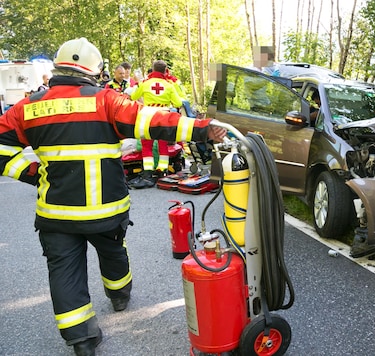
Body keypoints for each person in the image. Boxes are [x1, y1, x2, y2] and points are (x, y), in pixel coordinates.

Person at [0, 37, 226, 356]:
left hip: (57, 216)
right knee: (114, 255)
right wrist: (202, 129)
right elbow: (152, 121)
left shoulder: (29, 107)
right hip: (107, 211)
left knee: (64, 272)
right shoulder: (107, 100)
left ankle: (82, 341)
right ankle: (119, 297)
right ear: (95, 70)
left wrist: (33, 172)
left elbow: (1, 148)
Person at [129, 59, 187, 188]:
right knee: (163, 146)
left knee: (147, 146)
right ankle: (162, 172)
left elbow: (133, 97)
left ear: (153, 69)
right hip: (163, 117)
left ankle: (148, 174)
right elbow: (178, 103)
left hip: (147, 117)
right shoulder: (169, 85)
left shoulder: (145, 83)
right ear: (165, 70)